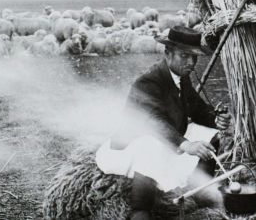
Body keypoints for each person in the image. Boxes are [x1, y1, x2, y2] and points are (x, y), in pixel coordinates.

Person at [98, 25, 232, 220]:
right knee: (150, 145)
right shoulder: (148, 82)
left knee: (210, 134)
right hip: (133, 145)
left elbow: (198, 109)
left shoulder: (181, 78)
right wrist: (186, 144)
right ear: (167, 53)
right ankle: (140, 209)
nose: (191, 62)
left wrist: (216, 118)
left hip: (168, 139)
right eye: (184, 56)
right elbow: (154, 123)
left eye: (194, 57)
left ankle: (201, 188)